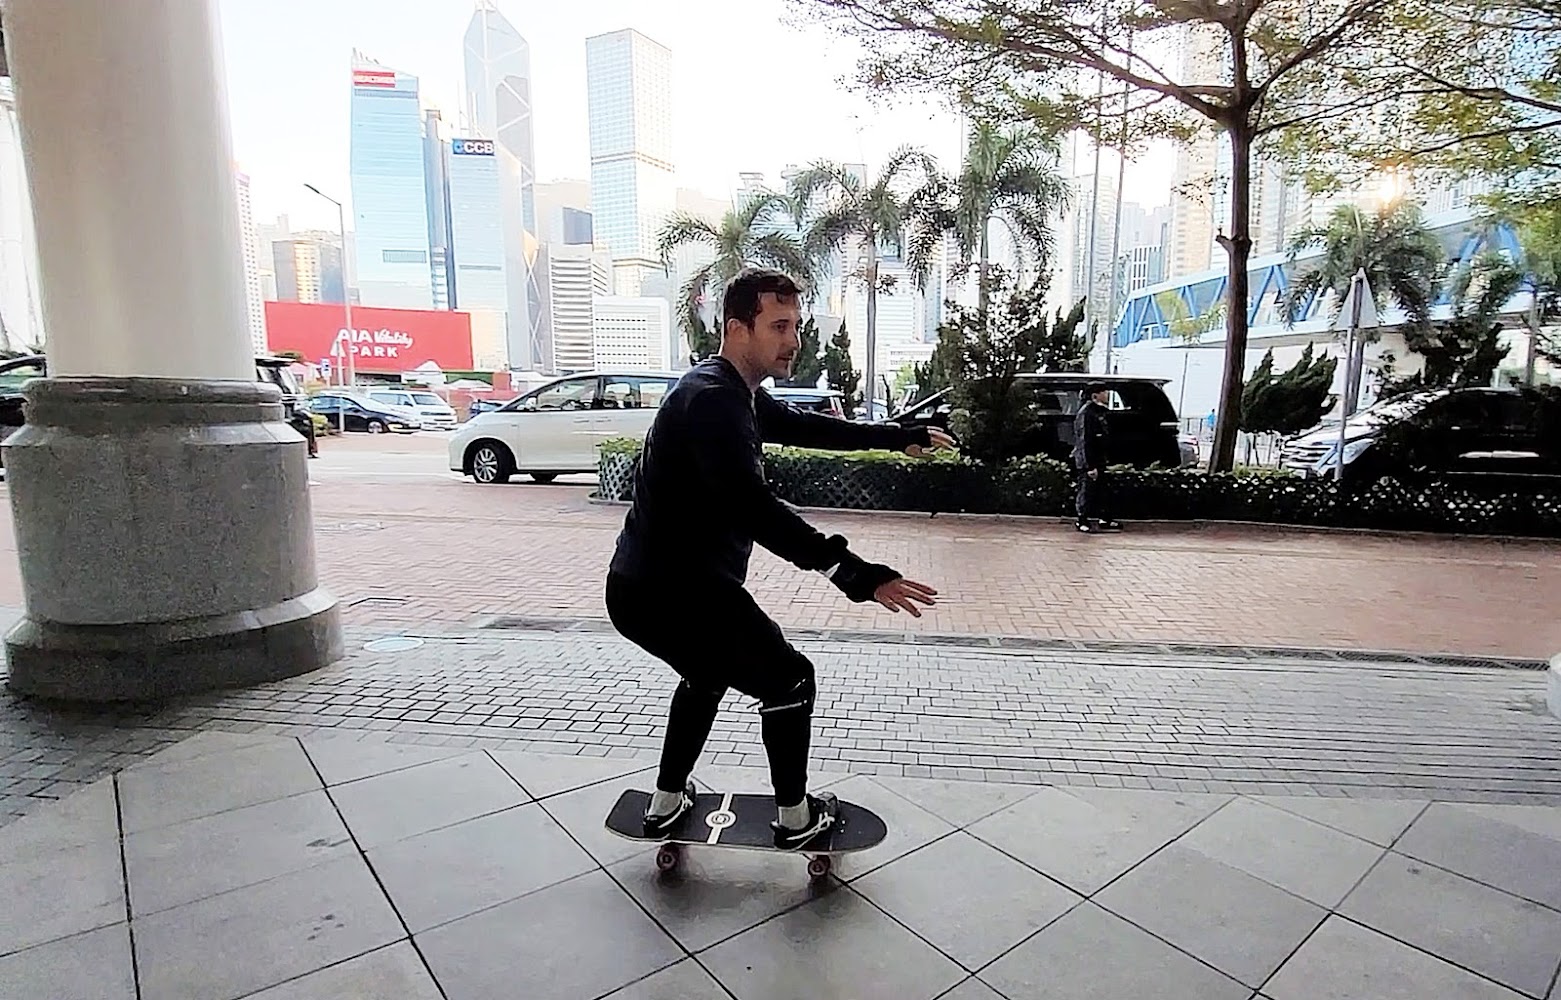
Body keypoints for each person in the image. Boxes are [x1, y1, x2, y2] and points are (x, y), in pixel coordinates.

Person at [605, 267, 953, 849]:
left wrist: (895, 435)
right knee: (790, 679)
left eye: (797, 325)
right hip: (679, 593)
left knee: (707, 674)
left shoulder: (727, 390)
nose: (794, 340)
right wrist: (855, 574)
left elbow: (802, 425)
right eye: (780, 326)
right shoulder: (713, 401)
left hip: (646, 589)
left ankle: (666, 803)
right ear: (737, 328)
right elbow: (754, 508)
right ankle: (795, 819)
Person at [1074, 383, 1121, 533]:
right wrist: (1089, 465)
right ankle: (1082, 520)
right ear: (1095, 395)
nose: (1106, 394)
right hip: (1088, 460)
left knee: (1102, 489)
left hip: (1099, 458)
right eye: (1104, 392)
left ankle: (1104, 518)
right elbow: (1085, 440)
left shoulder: (1099, 412)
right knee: (1086, 490)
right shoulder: (1086, 413)